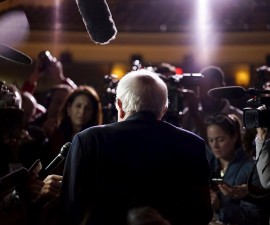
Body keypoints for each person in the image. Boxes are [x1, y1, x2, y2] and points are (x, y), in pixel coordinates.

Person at [58, 69, 213, 225]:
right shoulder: (192, 144)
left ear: (119, 104)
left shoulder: (88, 140)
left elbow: (70, 209)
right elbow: (202, 214)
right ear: (164, 110)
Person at [205, 113, 266, 225]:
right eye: (211, 140)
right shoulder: (207, 164)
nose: (215, 145)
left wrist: (220, 207)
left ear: (234, 137)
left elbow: (255, 216)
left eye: (220, 139)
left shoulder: (252, 168)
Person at [180, 65, 243, 141]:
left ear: (223, 86)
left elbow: (216, 149)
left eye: (212, 86)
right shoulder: (188, 114)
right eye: (203, 87)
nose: (207, 93)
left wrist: (196, 116)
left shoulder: (239, 117)